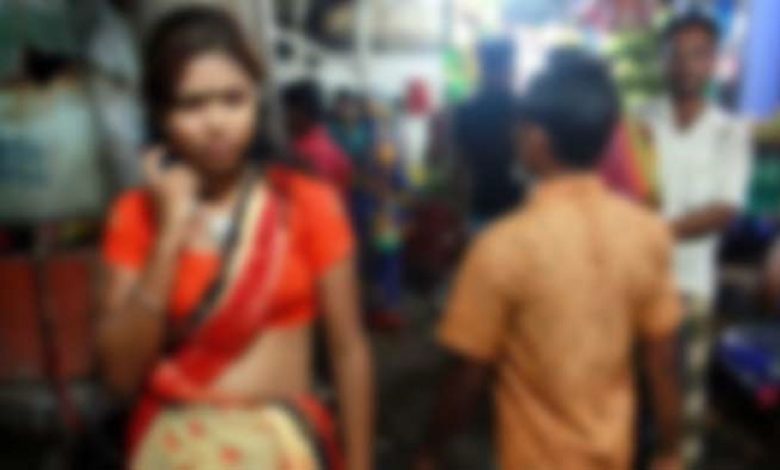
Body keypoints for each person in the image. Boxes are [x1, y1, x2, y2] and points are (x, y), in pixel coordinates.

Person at [96, 7, 373, 469]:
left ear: (256, 102)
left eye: (233, 99)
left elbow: (349, 351)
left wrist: (361, 462)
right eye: (192, 105)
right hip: (175, 453)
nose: (217, 122)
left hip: (281, 451)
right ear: (161, 114)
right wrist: (169, 234)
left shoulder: (306, 202)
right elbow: (119, 377)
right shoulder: (136, 215)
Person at [416, 49, 682, 470]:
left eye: (520, 128)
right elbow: (662, 361)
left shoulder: (503, 246)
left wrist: (431, 453)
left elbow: (467, 374)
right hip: (614, 452)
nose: (514, 136)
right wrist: (669, 450)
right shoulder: (649, 233)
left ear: (536, 140)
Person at [641, 12, 752, 465]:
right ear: (663, 60)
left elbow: (725, 209)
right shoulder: (639, 121)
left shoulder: (730, 131)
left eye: (698, 54)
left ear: (713, 62)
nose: (686, 64)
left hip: (692, 285)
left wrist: (658, 230)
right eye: (677, 54)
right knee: (637, 388)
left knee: (684, 391)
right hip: (637, 281)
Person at [453, 37, 523, 231]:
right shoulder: (521, 109)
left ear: (482, 67)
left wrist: (461, 212)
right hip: (516, 209)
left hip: (480, 205)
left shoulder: (466, 110)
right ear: (508, 68)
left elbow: (460, 167)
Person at [283, 80, 353, 195]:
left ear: (301, 113)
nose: (283, 118)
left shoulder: (306, 153)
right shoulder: (325, 142)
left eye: (287, 111)